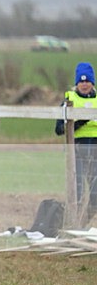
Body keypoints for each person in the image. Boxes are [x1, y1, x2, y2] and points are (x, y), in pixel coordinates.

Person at [55, 62, 97, 223]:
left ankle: (82, 224)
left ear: (92, 82)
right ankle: (72, 225)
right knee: (77, 193)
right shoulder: (69, 100)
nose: (84, 84)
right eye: (81, 81)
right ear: (76, 83)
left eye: (87, 81)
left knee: (95, 195)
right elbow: (59, 129)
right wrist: (80, 122)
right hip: (77, 151)